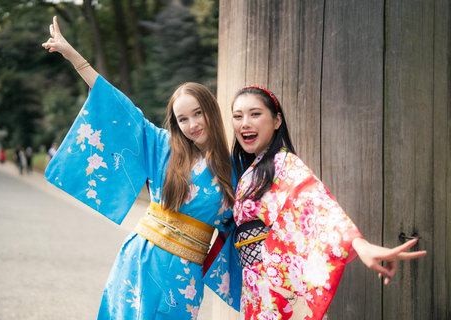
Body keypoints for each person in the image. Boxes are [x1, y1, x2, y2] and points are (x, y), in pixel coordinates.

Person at [42, 16, 238, 319]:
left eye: (198, 113)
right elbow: (118, 107)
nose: (192, 124)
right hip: (140, 258)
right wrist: (73, 56)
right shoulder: (163, 147)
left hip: (185, 277)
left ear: (211, 110)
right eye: (183, 119)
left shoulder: (234, 170)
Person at [221, 85, 426, 319]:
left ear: (277, 121)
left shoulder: (284, 164)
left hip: (275, 286)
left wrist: (361, 245)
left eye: (255, 114)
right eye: (238, 116)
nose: (245, 123)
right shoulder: (252, 170)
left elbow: (320, 207)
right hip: (256, 284)